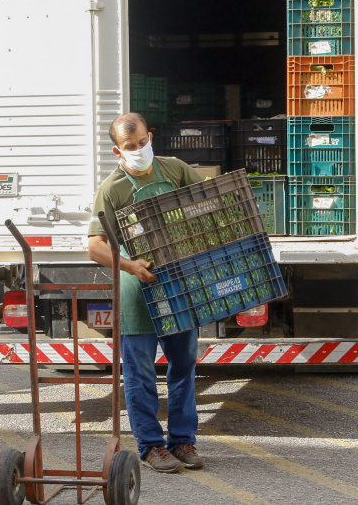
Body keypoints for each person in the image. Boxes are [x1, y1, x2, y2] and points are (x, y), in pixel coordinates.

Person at [87, 112, 205, 473]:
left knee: (183, 366)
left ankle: (183, 441)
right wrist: (130, 265)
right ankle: (152, 447)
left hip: (178, 286)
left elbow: (207, 201)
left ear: (150, 137)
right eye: (129, 147)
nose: (138, 150)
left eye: (141, 143)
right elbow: (94, 247)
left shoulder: (175, 169)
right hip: (137, 293)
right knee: (139, 374)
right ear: (116, 151)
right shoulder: (112, 188)